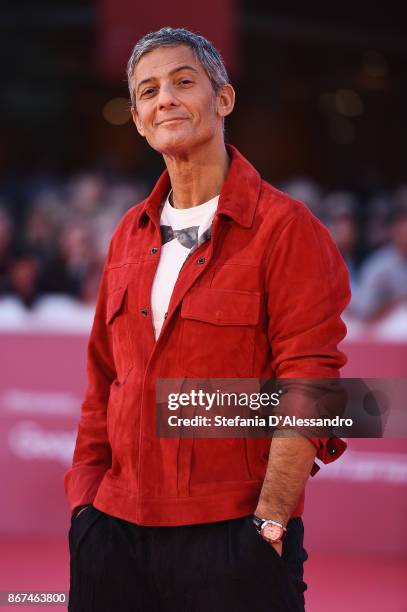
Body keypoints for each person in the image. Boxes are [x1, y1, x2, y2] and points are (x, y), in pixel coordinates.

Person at [64, 27, 350, 612]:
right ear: (139, 121)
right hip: (112, 535)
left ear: (224, 100)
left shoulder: (287, 231)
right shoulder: (125, 234)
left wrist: (270, 519)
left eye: (182, 81)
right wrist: (84, 506)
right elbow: (101, 381)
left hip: (233, 535)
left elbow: (313, 387)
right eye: (148, 91)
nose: (164, 97)